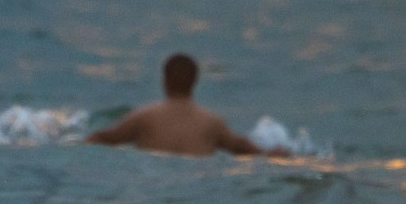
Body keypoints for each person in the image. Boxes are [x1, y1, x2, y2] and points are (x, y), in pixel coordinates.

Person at [85, 54, 287, 157]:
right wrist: (271, 154)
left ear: (164, 80)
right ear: (195, 81)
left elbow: (106, 138)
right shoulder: (212, 123)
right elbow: (241, 147)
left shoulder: (144, 117)